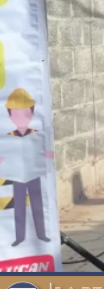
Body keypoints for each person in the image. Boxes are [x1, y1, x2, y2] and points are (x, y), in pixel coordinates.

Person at [4, 88, 49, 246]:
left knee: (37, 204)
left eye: (24, 113)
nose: (20, 118)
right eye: (16, 114)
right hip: (17, 175)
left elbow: (43, 151)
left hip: (34, 173)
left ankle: (41, 234)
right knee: (19, 206)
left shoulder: (36, 134)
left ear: (31, 113)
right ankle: (20, 237)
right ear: (10, 116)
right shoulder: (9, 137)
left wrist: (47, 155)